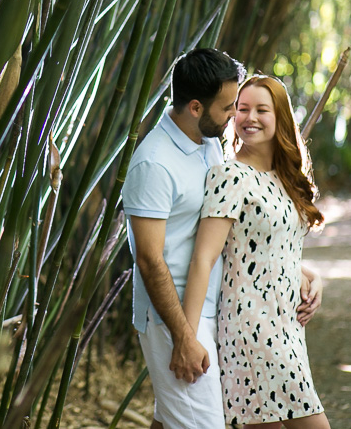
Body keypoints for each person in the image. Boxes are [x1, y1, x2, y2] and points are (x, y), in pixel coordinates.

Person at [123, 50, 321, 429]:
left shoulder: (208, 142)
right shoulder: (154, 163)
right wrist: (183, 336)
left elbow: (242, 239)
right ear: (196, 107)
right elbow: (149, 260)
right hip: (176, 314)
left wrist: (304, 272)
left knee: (172, 421)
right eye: (230, 106)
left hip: (216, 310)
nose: (236, 115)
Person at [182, 75, 329, 428]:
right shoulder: (230, 175)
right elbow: (205, 257)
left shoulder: (284, 177)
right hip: (253, 330)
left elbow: (273, 248)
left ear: (280, 117)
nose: (250, 117)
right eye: (242, 108)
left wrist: (312, 276)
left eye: (262, 109)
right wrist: (186, 338)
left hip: (287, 326)